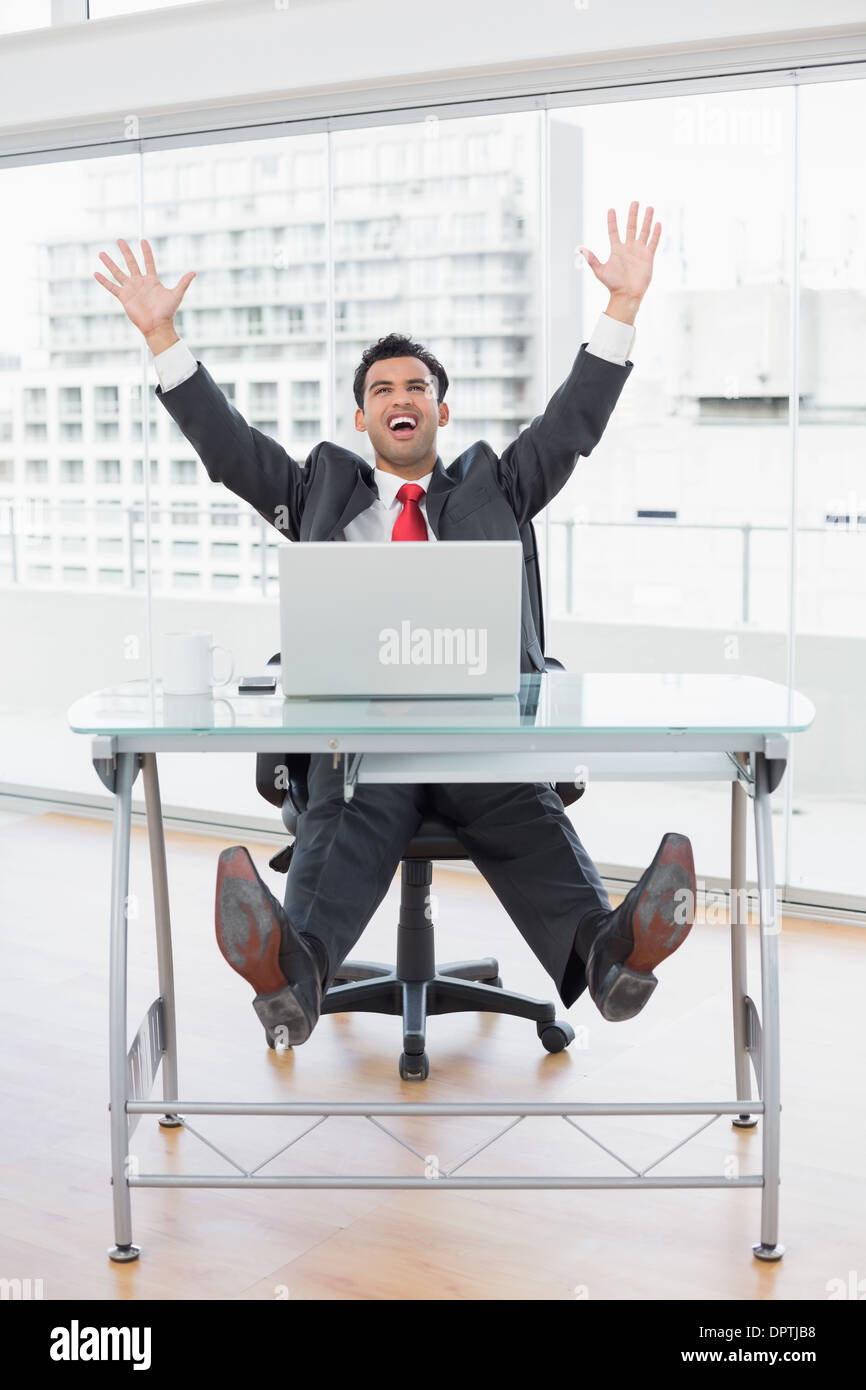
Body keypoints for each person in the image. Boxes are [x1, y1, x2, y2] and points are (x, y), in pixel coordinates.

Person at [95, 200, 696, 1049]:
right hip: (362, 747)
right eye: (382, 390)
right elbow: (228, 449)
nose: (400, 397)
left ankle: (611, 957)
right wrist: (163, 337)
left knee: (522, 810)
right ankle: (290, 977)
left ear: (441, 414)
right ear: (363, 420)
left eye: (418, 386)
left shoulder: (499, 486)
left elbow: (571, 426)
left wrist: (622, 308)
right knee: (346, 810)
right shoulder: (317, 491)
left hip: (479, 743)